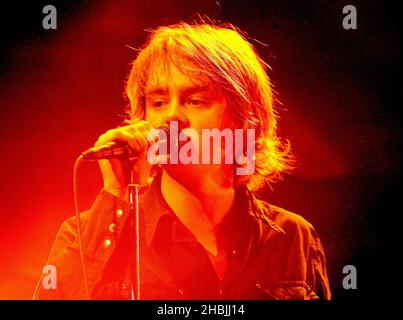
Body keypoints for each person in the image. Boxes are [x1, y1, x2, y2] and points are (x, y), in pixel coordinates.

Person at [33, 21, 331, 300]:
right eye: (159, 102)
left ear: (243, 119)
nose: (172, 116)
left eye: (195, 100)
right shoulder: (89, 236)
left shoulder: (293, 238)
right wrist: (115, 195)